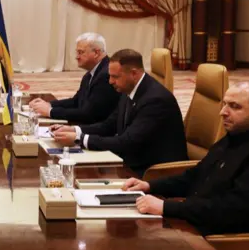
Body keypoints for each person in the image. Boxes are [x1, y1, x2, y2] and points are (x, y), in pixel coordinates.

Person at [124, 81, 249, 235]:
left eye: (234, 106)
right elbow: (195, 176)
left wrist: (166, 207)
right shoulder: (233, 137)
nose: (223, 112)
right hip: (192, 222)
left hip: (223, 242)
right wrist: (149, 186)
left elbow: (233, 209)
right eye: (224, 104)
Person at [52, 49, 187, 175]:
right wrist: (75, 130)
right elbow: (108, 125)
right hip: (132, 161)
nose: (110, 81)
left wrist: (79, 139)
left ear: (134, 73)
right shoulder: (128, 88)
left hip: (151, 172)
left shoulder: (155, 100)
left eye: (115, 77)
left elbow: (127, 142)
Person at [29, 33, 119, 124]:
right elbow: (76, 101)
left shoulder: (105, 75)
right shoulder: (91, 73)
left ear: (96, 53)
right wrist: (49, 104)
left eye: (81, 52)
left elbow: (89, 114)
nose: (77, 57)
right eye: (77, 52)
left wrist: (50, 111)